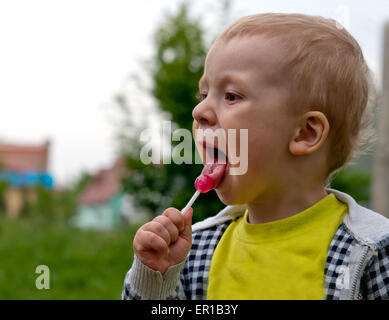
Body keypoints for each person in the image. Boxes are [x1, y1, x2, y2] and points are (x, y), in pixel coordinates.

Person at [121, 13, 389, 300]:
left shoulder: (369, 251)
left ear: (304, 133)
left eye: (232, 96)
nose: (199, 112)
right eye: (203, 95)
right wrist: (155, 279)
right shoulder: (195, 251)